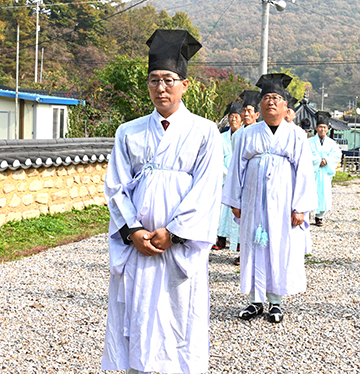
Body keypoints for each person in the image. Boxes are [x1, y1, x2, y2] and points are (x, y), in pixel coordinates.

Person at [101, 29, 222, 374]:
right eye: (154, 80)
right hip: (139, 243)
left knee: (179, 313)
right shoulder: (129, 131)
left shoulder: (204, 132)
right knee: (136, 312)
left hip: (177, 245)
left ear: (185, 84)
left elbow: (207, 187)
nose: (161, 87)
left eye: (169, 79)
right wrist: (133, 231)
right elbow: (116, 187)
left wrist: (175, 231)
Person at [222, 73, 317, 323]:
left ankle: (275, 302)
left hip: (284, 204)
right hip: (252, 203)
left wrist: (300, 208)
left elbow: (304, 173)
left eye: (276, 98)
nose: (271, 102)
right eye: (266, 98)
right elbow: (236, 170)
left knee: (279, 248)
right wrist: (235, 201)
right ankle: (255, 301)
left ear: (285, 105)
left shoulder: (296, 135)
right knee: (253, 248)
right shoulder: (246, 135)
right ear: (259, 105)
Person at [213, 101, 243, 257]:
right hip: (224, 178)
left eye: (237, 116)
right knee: (221, 211)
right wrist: (227, 174)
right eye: (231, 117)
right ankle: (221, 239)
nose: (234, 120)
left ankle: (238, 241)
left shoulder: (244, 135)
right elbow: (216, 159)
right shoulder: (222, 137)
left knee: (238, 211)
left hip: (240, 178)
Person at [309, 111, 342, 226]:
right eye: (320, 127)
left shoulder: (332, 143)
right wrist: (318, 160)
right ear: (316, 128)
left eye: (324, 127)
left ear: (327, 129)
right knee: (309, 191)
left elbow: (337, 155)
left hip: (325, 172)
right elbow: (306, 155)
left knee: (323, 193)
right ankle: (306, 213)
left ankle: (319, 216)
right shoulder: (309, 142)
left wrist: (326, 161)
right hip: (312, 172)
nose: (322, 129)